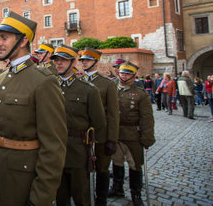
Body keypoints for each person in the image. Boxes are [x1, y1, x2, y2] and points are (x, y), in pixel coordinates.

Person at [0, 11, 67, 205]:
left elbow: (54, 146)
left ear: (23, 41)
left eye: (4, 38)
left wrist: (41, 197)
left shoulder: (43, 82)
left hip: (24, 178)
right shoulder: (0, 78)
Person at [52, 45, 106, 206]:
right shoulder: (50, 86)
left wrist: (99, 153)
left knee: (81, 195)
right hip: (55, 149)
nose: (59, 63)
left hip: (77, 151)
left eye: (63, 60)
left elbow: (99, 123)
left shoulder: (88, 90)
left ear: (73, 62)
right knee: (60, 196)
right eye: (56, 60)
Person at [108, 61, 155, 206]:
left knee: (134, 164)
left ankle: (136, 193)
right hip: (115, 134)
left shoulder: (140, 94)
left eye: (127, 73)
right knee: (116, 162)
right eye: (122, 73)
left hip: (132, 135)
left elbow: (146, 118)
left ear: (134, 76)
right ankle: (117, 187)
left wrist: (147, 137)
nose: (124, 76)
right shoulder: (111, 90)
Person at [79, 48, 119, 206]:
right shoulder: (78, 81)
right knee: (83, 168)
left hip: (101, 134)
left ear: (96, 62)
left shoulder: (107, 84)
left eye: (87, 60)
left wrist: (112, 139)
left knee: (102, 168)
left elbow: (113, 114)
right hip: (83, 135)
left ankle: (101, 199)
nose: (84, 63)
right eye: (82, 60)